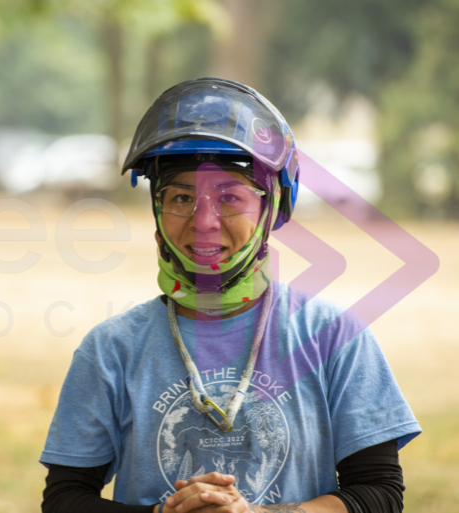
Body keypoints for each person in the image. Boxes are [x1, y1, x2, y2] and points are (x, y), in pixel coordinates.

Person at [39, 78, 420, 513]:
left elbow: (380, 494)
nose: (204, 221)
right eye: (181, 196)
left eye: (230, 198)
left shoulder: (334, 336)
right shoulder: (111, 349)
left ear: (272, 208)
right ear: (157, 209)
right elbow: (64, 499)